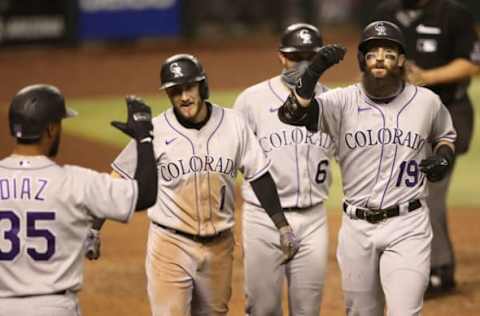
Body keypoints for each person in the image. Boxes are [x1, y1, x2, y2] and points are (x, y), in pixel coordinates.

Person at [278, 21, 457, 315]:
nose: (381, 59)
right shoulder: (341, 101)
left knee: (405, 311)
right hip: (356, 228)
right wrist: (313, 71)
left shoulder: (427, 102)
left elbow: (445, 137)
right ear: (363, 60)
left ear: (401, 60)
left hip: (407, 225)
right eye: (373, 53)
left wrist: (444, 158)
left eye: (389, 53)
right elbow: (292, 114)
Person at [110, 53, 299, 316]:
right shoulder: (155, 130)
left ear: (203, 86)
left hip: (219, 247)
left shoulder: (234, 123)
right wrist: (94, 229)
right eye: (175, 91)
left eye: (189, 87)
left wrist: (282, 225)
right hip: (170, 244)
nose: (184, 97)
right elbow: (119, 176)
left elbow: (259, 175)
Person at [0, 84, 158, 315]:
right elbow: (144, 194)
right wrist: (144, 138)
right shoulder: (76, 183)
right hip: (53, 308)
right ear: (51, 129)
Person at [372, 0, 480, 297]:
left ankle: (439, 269)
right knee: (401, 192)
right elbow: (369, 59)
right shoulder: (386, 14)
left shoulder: (454, 15)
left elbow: (471, 64)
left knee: (431, 193)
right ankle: (413, 265)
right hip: (400, 116)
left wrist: (426, 78)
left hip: (448, 113)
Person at [233, 23, 334, 316]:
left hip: (314, 217)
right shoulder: (251, 101)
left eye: (310, 57)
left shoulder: (333, 102)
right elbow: (231, 163)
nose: (302, 64)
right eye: (295, 56)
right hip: (263, 220)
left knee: (308, 309)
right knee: (262, 308)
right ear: (281, 56)